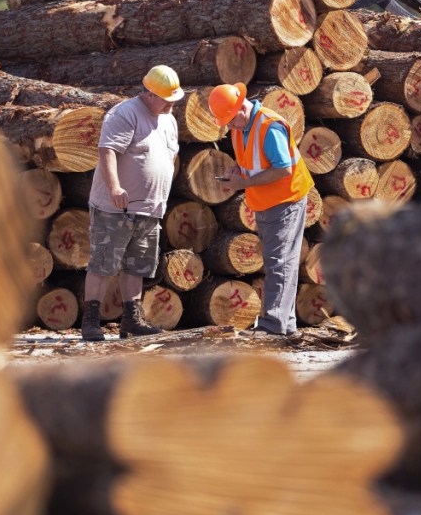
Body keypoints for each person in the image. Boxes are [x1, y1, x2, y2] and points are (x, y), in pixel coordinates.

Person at [81, 65, 182, 341]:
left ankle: (132, 320)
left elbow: (169, 158)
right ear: (149, 94)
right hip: (116, 207)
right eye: (167, 98)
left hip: (149, 208)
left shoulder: (169, 120)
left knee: (136, 266)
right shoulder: (125, 113)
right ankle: (91, 322)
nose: (172, 103)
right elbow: (108, 150)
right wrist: (114, 186)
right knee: (103, 263)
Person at [208, 83, 314, 336]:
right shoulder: (241, 126)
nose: (229, 127)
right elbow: (252, 161)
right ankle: (285, 326)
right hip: (265, 201)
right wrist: (238, 171)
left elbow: (283, 168)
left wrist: (243, 183)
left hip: (285, 200)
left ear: (241, 108)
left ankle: (273, 326)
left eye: (230, 120)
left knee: (280, 262)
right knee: (278, 261)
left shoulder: (269, 126)